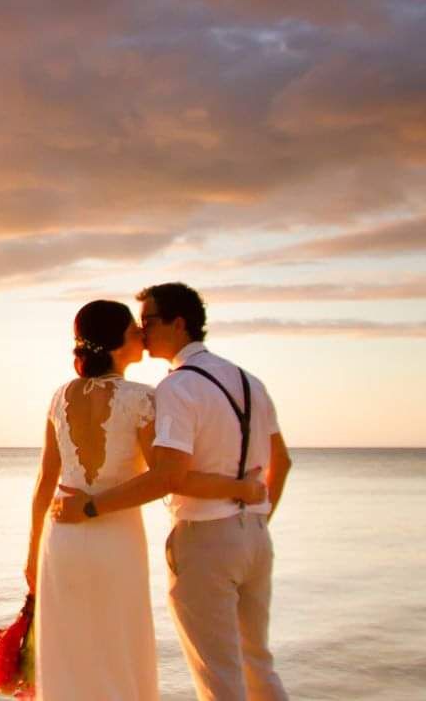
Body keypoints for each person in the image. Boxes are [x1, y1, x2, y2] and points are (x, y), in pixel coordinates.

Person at [56, 282, 291, 701]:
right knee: (258, 664)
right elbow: (283, 462)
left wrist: (91, 507)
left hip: (205, 540)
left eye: (147, 321)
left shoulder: (177, 388)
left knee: (218, 677)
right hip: (256, 536)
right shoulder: (250, 381)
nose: (141, 332)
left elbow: (169, 476)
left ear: (177, 323)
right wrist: (250, 516)